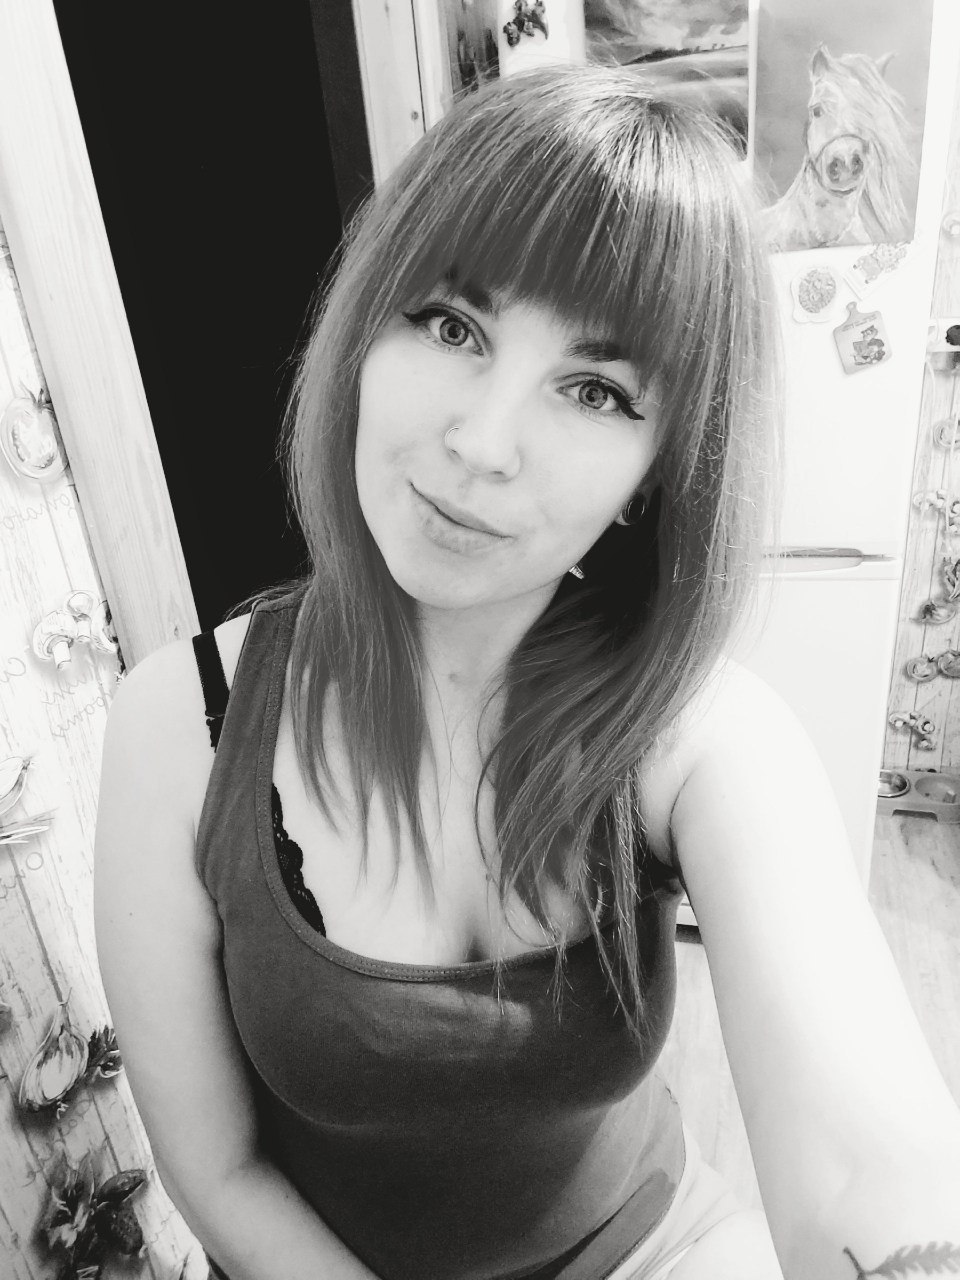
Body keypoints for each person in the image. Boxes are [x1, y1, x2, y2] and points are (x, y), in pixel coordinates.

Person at [93, 64, 960, 1280]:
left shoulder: (694, 731)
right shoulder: (180, 728)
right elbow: (218, 1169)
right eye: (452, 323)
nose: (483, 443)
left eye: (596, 390)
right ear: (367, 325)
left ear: (656, 473)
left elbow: (868, 1162)